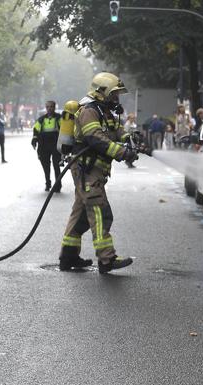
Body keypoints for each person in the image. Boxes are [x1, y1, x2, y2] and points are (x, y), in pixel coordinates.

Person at [58, 72, 137, 273]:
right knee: (100, 211)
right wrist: (122, 153)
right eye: (113, 94)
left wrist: (129, 137)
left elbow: (115, 129)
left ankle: (68, 256)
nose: (116, 99)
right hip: (87, 170)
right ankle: (106, 259)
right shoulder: (89, 111)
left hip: (93, 171)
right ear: (101, 92)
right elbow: (96, 138)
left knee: (81, 214)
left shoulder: (104, 111)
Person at [32, 101, 62, 192]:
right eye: (48, 107)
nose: (49, 108)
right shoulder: (41, 119)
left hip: (55, 144)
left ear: (54, 107)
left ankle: (58, 186)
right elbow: (36, 131)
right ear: (46, 108)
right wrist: (34, 139)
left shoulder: (59, 118)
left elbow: (64, 130)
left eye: (51, 106)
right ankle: (48, 184)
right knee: (46, 166)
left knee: (56, 166)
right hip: (43, 145)